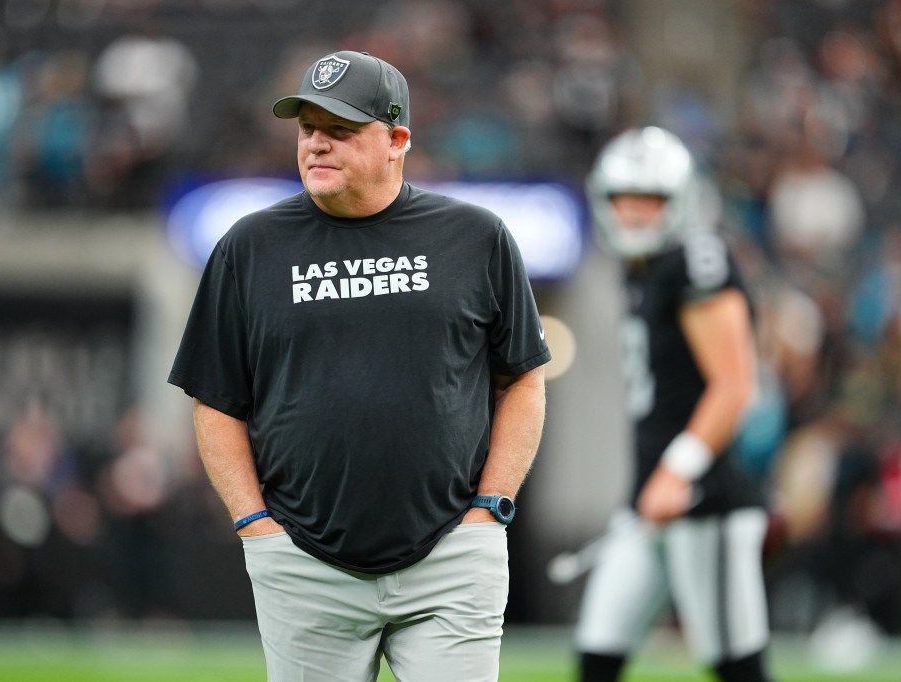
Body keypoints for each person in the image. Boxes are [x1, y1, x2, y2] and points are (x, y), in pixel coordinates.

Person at [168, 50, 550, 681]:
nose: (317, 145)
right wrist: (254, 525)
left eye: (339, 130)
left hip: (451, 557)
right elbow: (215, 400)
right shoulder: (248, 247)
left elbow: (523, 380)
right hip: (302, 562)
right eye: (307, 129)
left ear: (397, 138)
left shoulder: (476, 237)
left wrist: (492, 510)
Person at [573, 126, 775, 682]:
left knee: (738, 666)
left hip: (702, 499)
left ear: (680, 199)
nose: (636, 212)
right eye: (625, 198)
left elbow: (735, 384)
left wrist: (677, 470)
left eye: (652, 199)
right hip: (649, 498)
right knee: (597, 656)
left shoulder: (697, 259)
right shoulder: (643, 268)